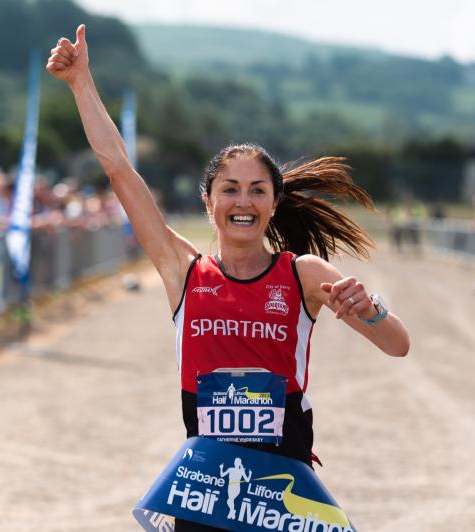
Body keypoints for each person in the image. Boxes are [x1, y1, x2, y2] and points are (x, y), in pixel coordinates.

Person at [47, 25, 410, 531]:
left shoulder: (303, 274)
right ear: (208, 201)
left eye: (257, 190)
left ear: (274, 203)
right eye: (230, 189)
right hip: (206, 491)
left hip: (282, 493)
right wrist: (81, 83)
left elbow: (398, 345)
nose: (243, 202)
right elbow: (119, 170)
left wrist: (367, 306)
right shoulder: (184, 272)